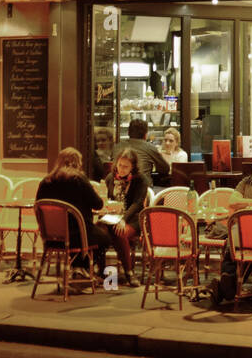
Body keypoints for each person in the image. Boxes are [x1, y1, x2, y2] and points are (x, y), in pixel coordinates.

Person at [36, 147, 110, 283]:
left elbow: (38, 206)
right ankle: (86, 270)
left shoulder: (46, 181)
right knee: (105, 238)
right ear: (78, 163)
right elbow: (98, 204)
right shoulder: (78, 179)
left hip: (52, 238)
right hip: (79, 235)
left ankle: (79, 269)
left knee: (90, 233)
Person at [100, 149, 147, 286]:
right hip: (111, 218)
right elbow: (107, 199)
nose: (121, 169)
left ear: (133, 167)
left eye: (126, 166)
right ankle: (101, 271)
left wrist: (123, 219)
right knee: (98, 232)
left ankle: (129, 272)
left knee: (119, 232)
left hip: (132, 218)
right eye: (120, 165)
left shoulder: (140, 180)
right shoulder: (110, 178)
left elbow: (138, 204)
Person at [114, 119, 169, 185]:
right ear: (145, 135)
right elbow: (165, 169)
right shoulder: (150, 148)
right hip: (143, 190)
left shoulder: (117, 147)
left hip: (118, 187)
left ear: (128, 132)